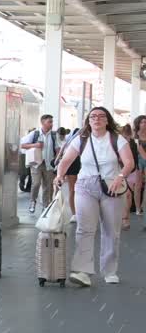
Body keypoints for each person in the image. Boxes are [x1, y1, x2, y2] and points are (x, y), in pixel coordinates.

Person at [53, 107, 135, 287]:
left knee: (111, 231)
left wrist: (120, 177)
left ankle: (110, 270)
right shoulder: (81, 139)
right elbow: (65, 161)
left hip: (111, 187)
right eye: (93, 116)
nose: (97, 119)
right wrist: (59, 175)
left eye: (101, 116)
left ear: (107, 120)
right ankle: (82, 271)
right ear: (88, 121)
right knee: (84, 229)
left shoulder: (116, 139)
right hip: (85, 186)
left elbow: (129, 162)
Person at [20, 114, 59, 213]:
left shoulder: (54, 135)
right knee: (36, 183)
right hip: (36, 163)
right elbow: (22, 145)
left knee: (48, 185)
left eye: (52, 122)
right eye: (49, 122)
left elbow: (57, 149)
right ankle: (33, 201)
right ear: (42, 122)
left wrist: (57, 160)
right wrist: (35, 145)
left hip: (49, 164)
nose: (51, 124)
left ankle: (46, 205)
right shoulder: (35, 133)